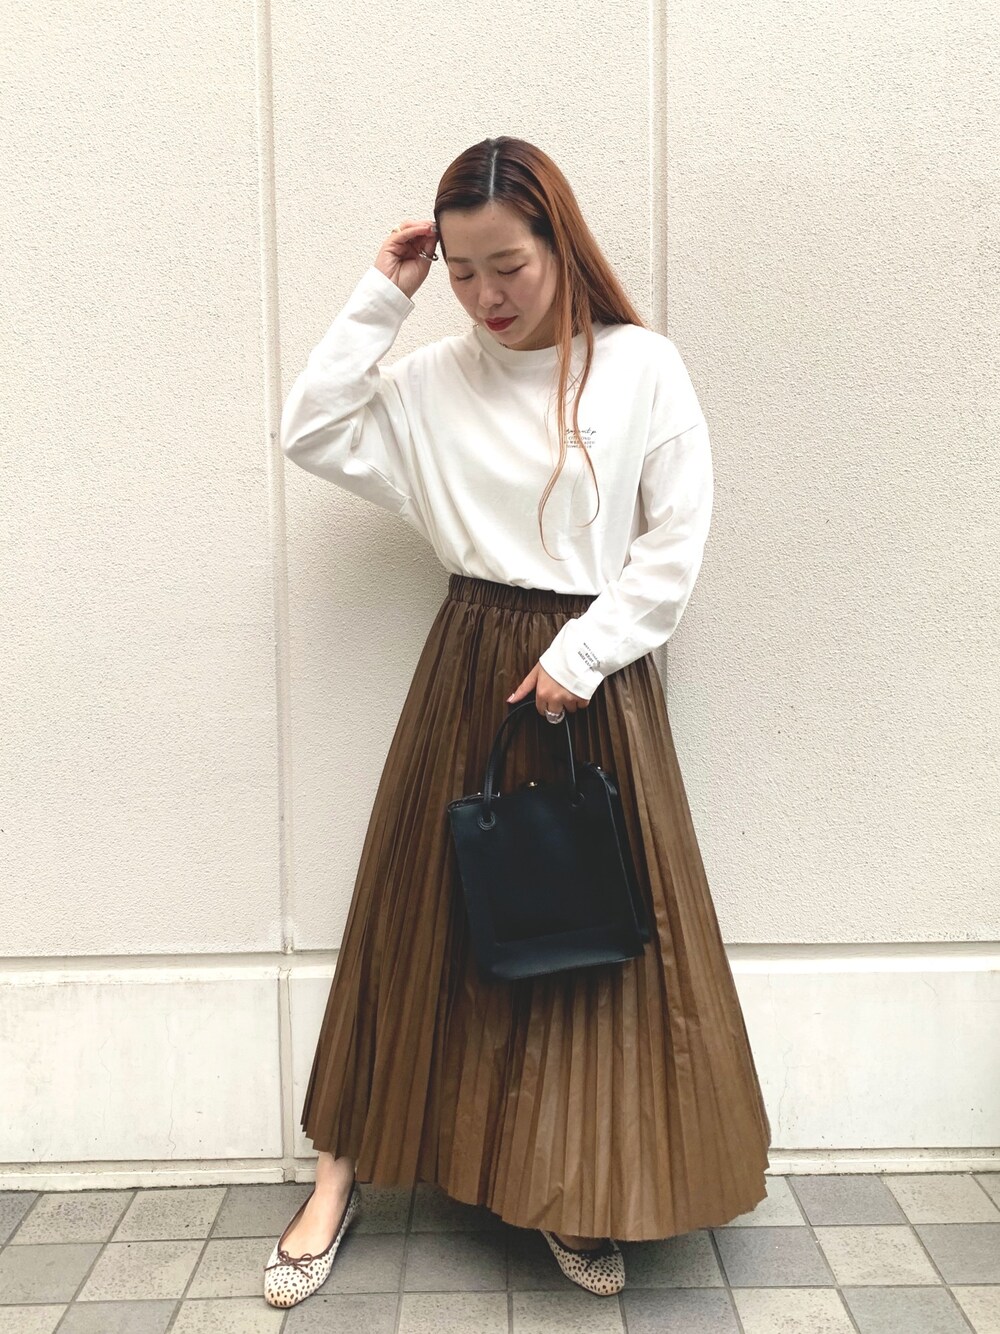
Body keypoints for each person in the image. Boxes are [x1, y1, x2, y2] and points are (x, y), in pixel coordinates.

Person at [262, 136, 772, 1309]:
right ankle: (338, 1177)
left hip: (593, 677)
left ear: (560, 244)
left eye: (508, 266)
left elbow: (673, 542)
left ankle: (564, 1183)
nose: (486, 296)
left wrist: (579, 654)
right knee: (415, 917)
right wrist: (382, 295)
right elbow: (310, 430)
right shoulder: (432, 379)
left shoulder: (640, 368)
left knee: (582, 937)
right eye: (460, 272)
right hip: (467, 663)